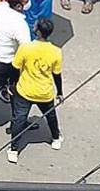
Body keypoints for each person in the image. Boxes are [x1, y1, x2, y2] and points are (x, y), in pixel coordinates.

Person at [6, 17, 63, 164]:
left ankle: (14, 150)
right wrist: (60, 92)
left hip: (25, 90)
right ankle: (56, 138)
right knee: (50, 116)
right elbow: (57, 75)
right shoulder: (56, 51)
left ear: (37, 31)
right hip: (44, 92)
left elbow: (15, 68)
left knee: (19, 119)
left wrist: (11, 86)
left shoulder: (25, 48)